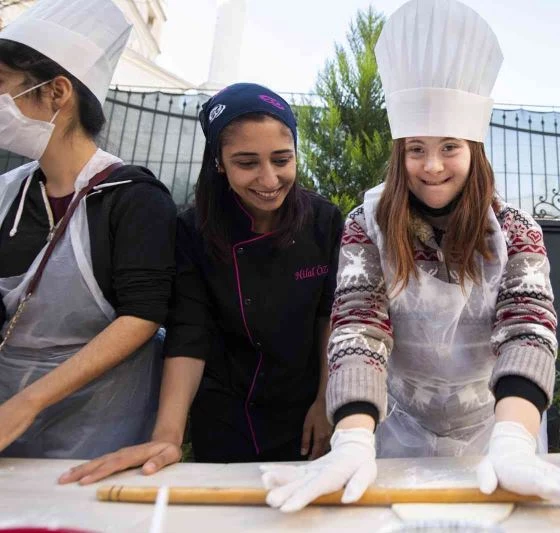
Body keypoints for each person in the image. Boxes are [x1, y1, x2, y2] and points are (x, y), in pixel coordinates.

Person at [260, 0, 560, 512]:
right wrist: (351, 438)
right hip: (397, 428)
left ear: (474, 150)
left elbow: (527, 329)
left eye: (449, 147)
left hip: (500, 426)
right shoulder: (365, 225)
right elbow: (359, 328)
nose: (432, 166)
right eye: (416, 148)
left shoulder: (515, 230)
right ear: (400, 154)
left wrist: (513, 440)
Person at [59, 83, 343, 484]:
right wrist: (168, 435)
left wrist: (327, 400)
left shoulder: (324, 221)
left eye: (282, 159)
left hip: (305, 406)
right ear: (219, 163)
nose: (269, 178)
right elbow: (190, 332)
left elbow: (331, 316)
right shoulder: (194, 230)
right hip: (225, 412)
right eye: (247, 163)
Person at [0, 0, 176, 458]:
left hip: (96, 433)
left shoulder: (133, 197)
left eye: (1, 84)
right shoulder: (8, 193)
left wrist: (30, 402)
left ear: (57, 92)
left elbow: (142, 315)